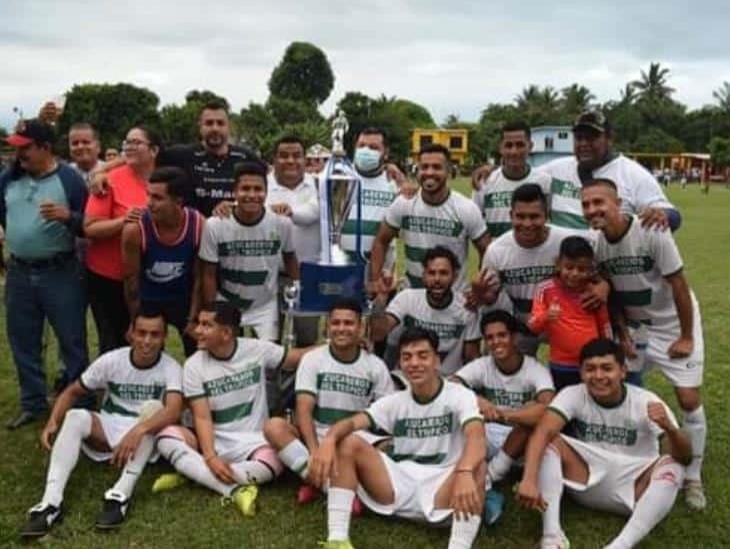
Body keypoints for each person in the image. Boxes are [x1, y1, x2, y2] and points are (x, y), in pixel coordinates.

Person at [581, 177, 708, 510]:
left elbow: (679, 285)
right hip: (636, 328)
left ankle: (693, 476)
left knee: (688, 397)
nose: (593, 210)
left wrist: (686, 336)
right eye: (587, 204)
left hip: (673, 324)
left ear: (619, 203)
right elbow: (614, 291)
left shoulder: (652, 230)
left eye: (599, 203)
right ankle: (633, 454)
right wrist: (622, 332)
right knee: (626, 386)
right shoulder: (596, 245)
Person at [308, 327, 487, 549]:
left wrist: (465, 471)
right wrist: (328, 440)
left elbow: (477, 436)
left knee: (477, 465)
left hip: (443, 488)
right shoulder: (395, 401)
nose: (414, 363)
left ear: (436, 361)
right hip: (398, 486)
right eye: (407, 357)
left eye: (423, 356)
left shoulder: (460, 395)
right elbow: (353, 423)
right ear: (400, 364)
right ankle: (337, 539)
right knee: (347, 441)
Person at [21, 310, 184, 536]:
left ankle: (120, 495)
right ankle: (50, 504)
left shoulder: (171, 367)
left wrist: (139, 430)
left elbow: (174, 410)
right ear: (130, 334)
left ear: (165, 337)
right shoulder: (112, 360)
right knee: (76, 416)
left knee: (156, 412)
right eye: (142, 333)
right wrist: (52, 421)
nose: (147, 341)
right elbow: (72, 391)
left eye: (155, 334)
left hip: (144, 438)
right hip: (109, 429)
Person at [517, 339, 691, 549]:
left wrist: (670, 429)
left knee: (674, 466)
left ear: (623, 371)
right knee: (549, 439)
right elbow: (543, 431)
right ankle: (552, 537)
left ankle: (620, 545)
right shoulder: (573, 394)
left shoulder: (646, 401)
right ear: (581, 373)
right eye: (590, 369)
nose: (598, 376)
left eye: (607, 368)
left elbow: (685, 457)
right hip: (586, 478)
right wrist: (529, 479)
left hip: (636, 486)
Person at [150, 301, 308, 516]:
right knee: (165, 436)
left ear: (225, 333)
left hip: (254, 442)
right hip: (212, 442)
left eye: (206, 325)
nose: (197, 330)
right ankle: (233, 489)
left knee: (276, 461)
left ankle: (192, 473)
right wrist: (211, 457)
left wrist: (333, 346)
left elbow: (295, 358)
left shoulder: (256, 349)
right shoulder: (194, 365)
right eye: (199, 323)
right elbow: (202, 417)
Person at [0, 119, 89, 429]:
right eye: (16, 148)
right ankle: (33, 402)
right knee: (23, 339)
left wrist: (68, 217)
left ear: (46, 148)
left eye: (25, 148)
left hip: (60, 272)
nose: (18, 154)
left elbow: (88, 224)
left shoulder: (70, 180)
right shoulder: (8, 180)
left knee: (71, 340)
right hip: (20, 273)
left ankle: (80, 401)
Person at [263, 298, 394, 505]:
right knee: (274, 427)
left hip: (355, 440)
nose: (341, 329)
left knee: (393, 447)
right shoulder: (313, 359)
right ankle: (328, 485)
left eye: (349, 323)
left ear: (360, 328)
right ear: (327, 327)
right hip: (317, 436)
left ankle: (319, 482)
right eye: (336, 323)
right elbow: (303, 409)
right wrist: (315, 451)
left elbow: (387, 414)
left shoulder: (375, 366)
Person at [452, 311, 555, 524]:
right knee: (465, 421)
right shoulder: (483, 365)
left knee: (530, 422)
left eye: (502, 335)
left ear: (514, 338)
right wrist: (478, 400)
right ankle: (487, 482)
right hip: (488, 437)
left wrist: (504, 415)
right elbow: (451, 385)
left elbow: (548, 407)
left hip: (521, 443)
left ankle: (489, 479)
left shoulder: (534, 368)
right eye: (489, 338)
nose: (496, 342)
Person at [90, 101, 259, 218]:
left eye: (220, 123)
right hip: (195, 238)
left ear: (228, 126)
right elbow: (140, 155)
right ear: (200, 126)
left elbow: (265, 188)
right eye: (209, 123)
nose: (215, 128)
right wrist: (102, 171)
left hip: (234, 237)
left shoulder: (246, 157)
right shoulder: (182, 154)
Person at [472, 184, 582, 355]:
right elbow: (490, 299)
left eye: (534, 217)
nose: (527, 224)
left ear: (547, 216)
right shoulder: (497, 250)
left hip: (562, 319)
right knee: (502, 360)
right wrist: (482, 295)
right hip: (522, 321)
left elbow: (592, 269)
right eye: (520, 217)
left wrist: (601, 286)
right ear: (511, 216)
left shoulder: (565, 242)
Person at [199, 160, 298, 341]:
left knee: (268, 361)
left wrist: (298, 289)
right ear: (234, 192)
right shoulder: (215, 224)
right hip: (227, 302)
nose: (252, 195)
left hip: (264, 305)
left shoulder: (281, 223)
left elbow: (290, 257)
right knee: (226, 357)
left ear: (267, 192)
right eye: (245, 189)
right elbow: (208, 273)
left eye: (258, 189)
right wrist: (211, 308)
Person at [370, 143, 489, 292]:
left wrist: (480, 288)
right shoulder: (404, 203)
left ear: (448, 171)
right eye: (424, 167)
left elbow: (486, 250)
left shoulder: (466, 208)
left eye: (437, 167)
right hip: (412, 297)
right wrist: (375, 280)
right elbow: (381, 240)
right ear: (417, 170)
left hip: (453, 299)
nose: (429, 172)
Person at [84, 125, 161, 355]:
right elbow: (90, 228)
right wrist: (123, 222)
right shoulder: (110, 181)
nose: (129, 146)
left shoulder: (165, 179)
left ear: (154, 150)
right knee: (115, 342)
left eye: (136, 142)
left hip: (151, 278)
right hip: (109, 278)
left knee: (150, 338)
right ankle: (112, 388)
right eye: (126, 142)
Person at [544, 111, 680, 232]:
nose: (584, 144)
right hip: (564, 258)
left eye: (591, 138)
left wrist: (663, 214)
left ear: (609, 139)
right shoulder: (556, 169)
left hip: (609, 258)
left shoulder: (633, 174)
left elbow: (673, 215)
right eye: (579, 138)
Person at [121, 166, 204, 357]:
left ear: (178, 201)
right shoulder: (135, 230)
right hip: (149, 300)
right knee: (146, 353)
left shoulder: (199, 225)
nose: (149, 203)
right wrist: (136, 322)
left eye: (157, 198)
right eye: (148, 195)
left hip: (183, 299)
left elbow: (200, 277)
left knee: (199, 352)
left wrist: (193, 319)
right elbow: (130, 281)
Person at [371, 246, 480, 375]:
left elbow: (471, 358)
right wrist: (382, 297)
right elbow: (377, 333)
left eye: (443, 273)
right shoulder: (407, 298)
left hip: (450, 383)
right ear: (423, 276)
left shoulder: (467, 307)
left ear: (455, 277)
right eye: (431, 273)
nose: (437, 279)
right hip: (408, 379)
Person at [528, 235, 615, 390]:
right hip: (561, 364)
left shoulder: (593, 290)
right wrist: (546, 316)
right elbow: (533, 325)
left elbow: (605, 324)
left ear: (590, 269)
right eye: (569, 267)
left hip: (591, 363)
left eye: (581, 269)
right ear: (558, 264)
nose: (574, 273)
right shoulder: (545, 289)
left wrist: (610, 351)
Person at [472, 121, 552, 238]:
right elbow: (475, 226)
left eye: (520, 145)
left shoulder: (545, 181)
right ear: (500, 148)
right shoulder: (484, 182)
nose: (514, 151)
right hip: (497, 255)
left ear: (530, 146)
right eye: (508, 145)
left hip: (535, 254)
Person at [341, 127, 398, 277]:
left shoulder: (393, 183)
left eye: (373, 147)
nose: (366, 151)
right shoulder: (340, 178)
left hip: (378, 275)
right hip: (341, 269)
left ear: (385, 152)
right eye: (361, 146)